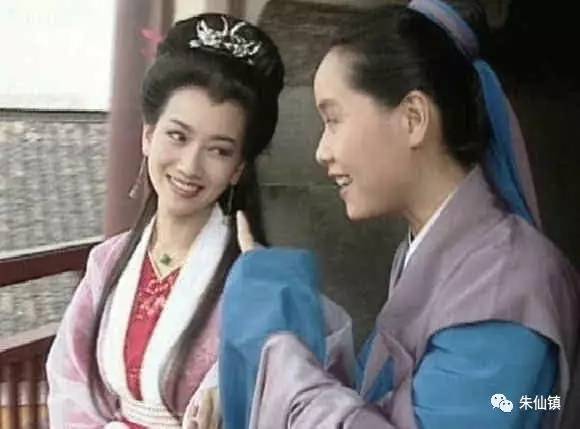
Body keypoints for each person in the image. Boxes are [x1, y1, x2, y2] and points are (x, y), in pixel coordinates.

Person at [219, 1, 579, 427]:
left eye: (333, 120)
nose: (321, 151)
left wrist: (275, 346)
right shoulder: (441, 255)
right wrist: (280, 301)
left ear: (413, 119)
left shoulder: (504, 287)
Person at [46, 13, 284, 428]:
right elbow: (70, 385)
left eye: (219, 150)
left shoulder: (258, 279)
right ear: (148, 136)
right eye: (178, 136)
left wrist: (232, 387)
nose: (190, 166)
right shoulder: (108, 262)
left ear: (238, 169)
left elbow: (289, 387)